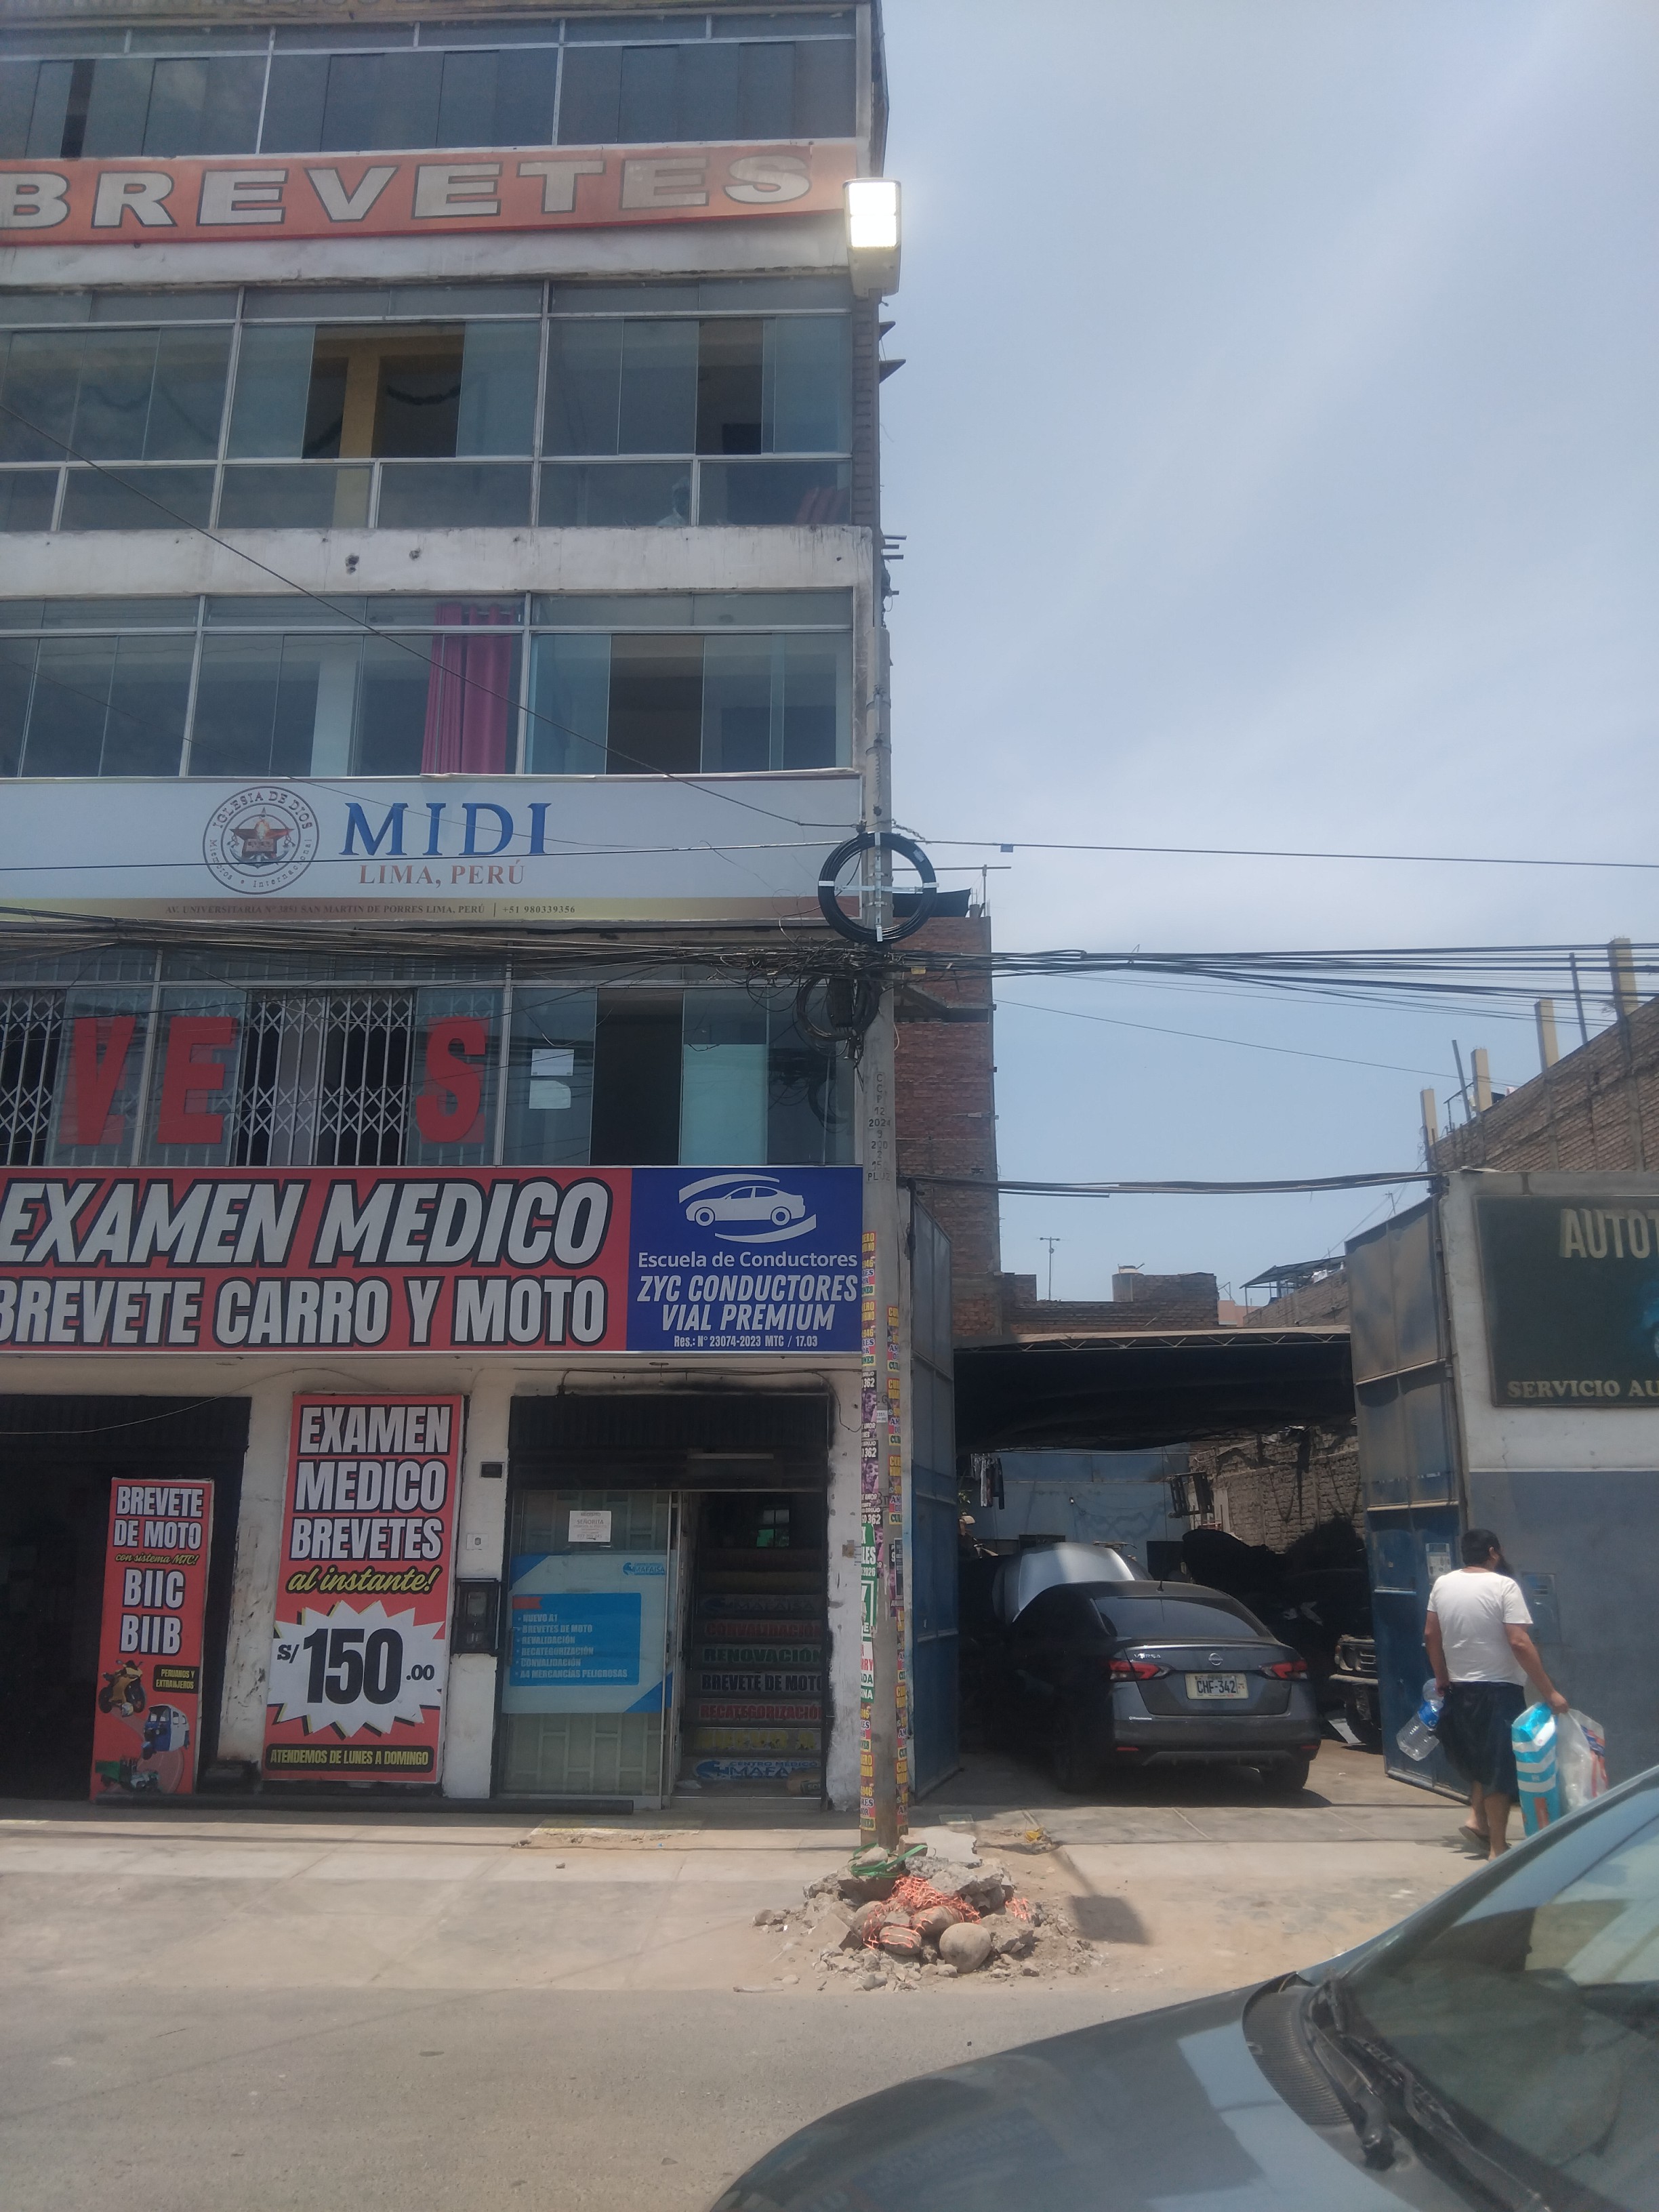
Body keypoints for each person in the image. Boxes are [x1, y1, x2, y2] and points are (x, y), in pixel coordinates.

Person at [1425, 1528, 1567, 1859]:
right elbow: (1519, 1641)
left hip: (1460, 1687)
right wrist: (1550, 1692)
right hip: (1499, 1688)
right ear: (1493, 1552)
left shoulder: (1443, 1584)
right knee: (1499, 1768)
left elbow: (1431, 1634)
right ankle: (1497, 1847)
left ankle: (1477, 1819)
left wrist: (1441, 1675)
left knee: (1480, 1757)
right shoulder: (1503, 1586)